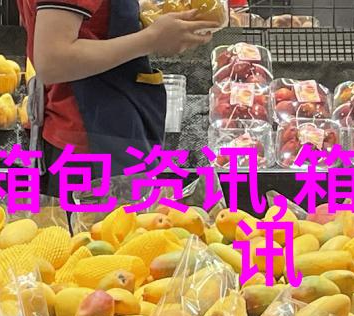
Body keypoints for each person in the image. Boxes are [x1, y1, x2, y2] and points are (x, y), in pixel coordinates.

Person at [16, 0, 219, 195]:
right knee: (111, 220)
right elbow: (53, 61)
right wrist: (152, 39)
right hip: (95, 141)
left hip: (101, 131)